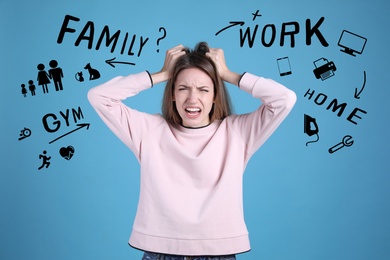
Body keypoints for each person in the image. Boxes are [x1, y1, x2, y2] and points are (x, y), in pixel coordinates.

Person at [88, 42, 296, 260]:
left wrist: (227, 74)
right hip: (161, 252)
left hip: (218, 253)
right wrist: (160, 75)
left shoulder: (237, 133)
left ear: (216, 95)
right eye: (183, 88)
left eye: (204, 89)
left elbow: (284, 99)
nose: (192, 99)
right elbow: (99, 96)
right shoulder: (149, 131)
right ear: (172, 95)